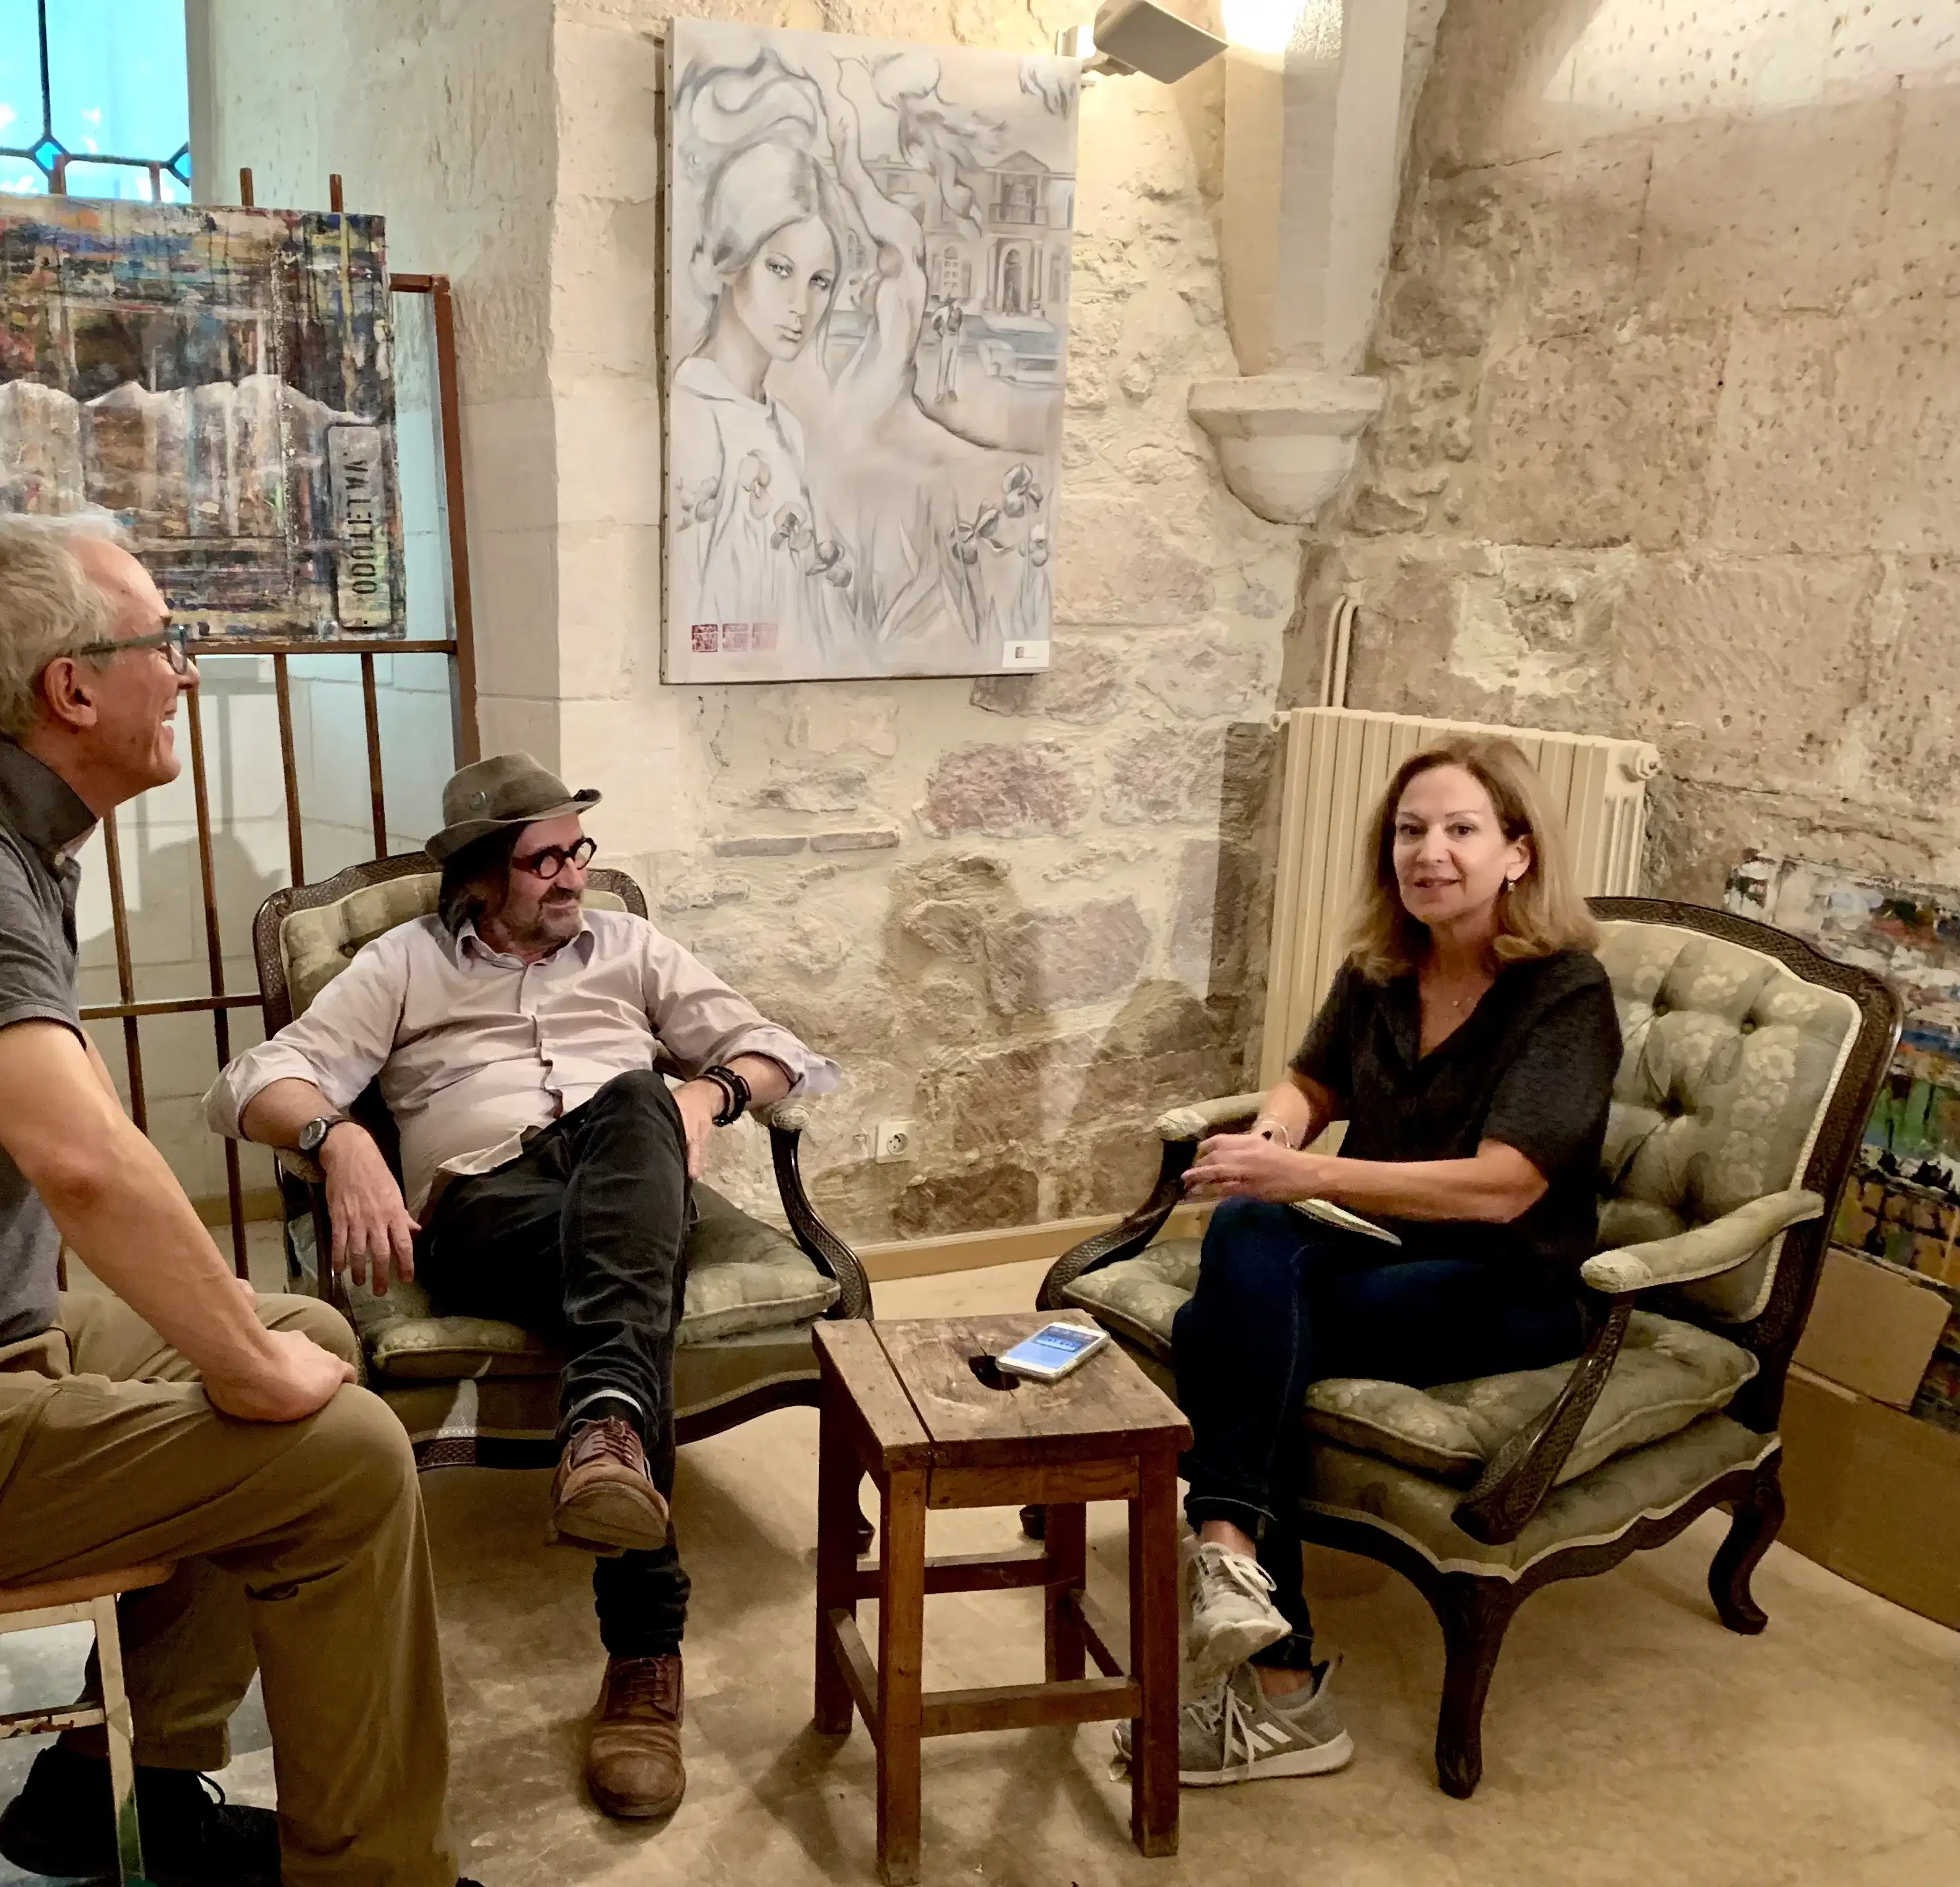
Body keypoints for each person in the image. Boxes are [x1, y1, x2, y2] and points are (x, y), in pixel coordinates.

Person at [205, 752, 840, 1825]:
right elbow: (254, 1080)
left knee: (642, 1095)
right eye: (544, 858)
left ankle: (606, 1443)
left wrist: (710, 1097)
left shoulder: (632, 949)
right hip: (481, 1207)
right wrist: (341, 1139)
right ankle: (642, 1648)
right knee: (628, 1276)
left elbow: (780, 1049)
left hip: (628, 1184)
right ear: (482, 878)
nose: (571, 875)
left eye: (577, 850)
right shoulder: (406, 962)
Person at [0, 513, 472, 1887]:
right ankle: (382, 1870)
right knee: (347, 1454)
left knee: (310, 1342)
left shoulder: (34, 841)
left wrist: (250, 1351)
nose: (189, 671)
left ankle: (111, 1785)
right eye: (169, 640)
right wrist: (239, 1367)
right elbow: (82, 1160)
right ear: (71, 689)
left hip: (23, 1325)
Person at [1148, 735, 1621, 1787]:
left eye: (1460, 830)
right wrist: (1275, 1139)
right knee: (1246, 1244)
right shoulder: (1379, 968)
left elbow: (1506, 1184)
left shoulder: (1564, 993)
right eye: (1411, 831)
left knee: (1214, 1325)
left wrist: (1310, 1181)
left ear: (1518, 853)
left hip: (1513, 1285)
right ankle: (1259, 1630)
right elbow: (1310, 1086)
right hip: (1378, 1248)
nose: (1430, 853)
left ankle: (1244, 1589)